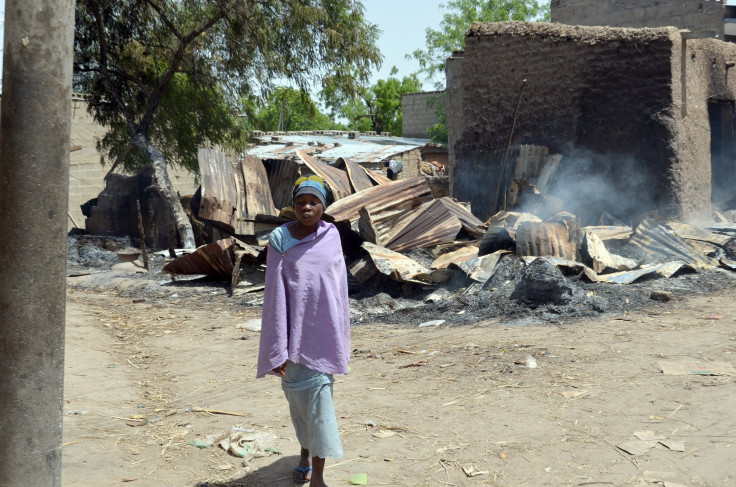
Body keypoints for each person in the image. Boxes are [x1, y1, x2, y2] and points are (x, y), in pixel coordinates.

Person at [256, 175, 350, 487]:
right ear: (293, 206)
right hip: (291, 336)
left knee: (320, 405)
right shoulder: (280, 241)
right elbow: (274, 296)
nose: (307, 207)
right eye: (301, 202)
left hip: (321, 335)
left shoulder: (331, 235)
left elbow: (337, 288)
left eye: (313, 202)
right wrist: (276, 345)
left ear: (323, 205)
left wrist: (338, 333)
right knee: (299, 407)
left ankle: (318, 478)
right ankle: (303, 455)